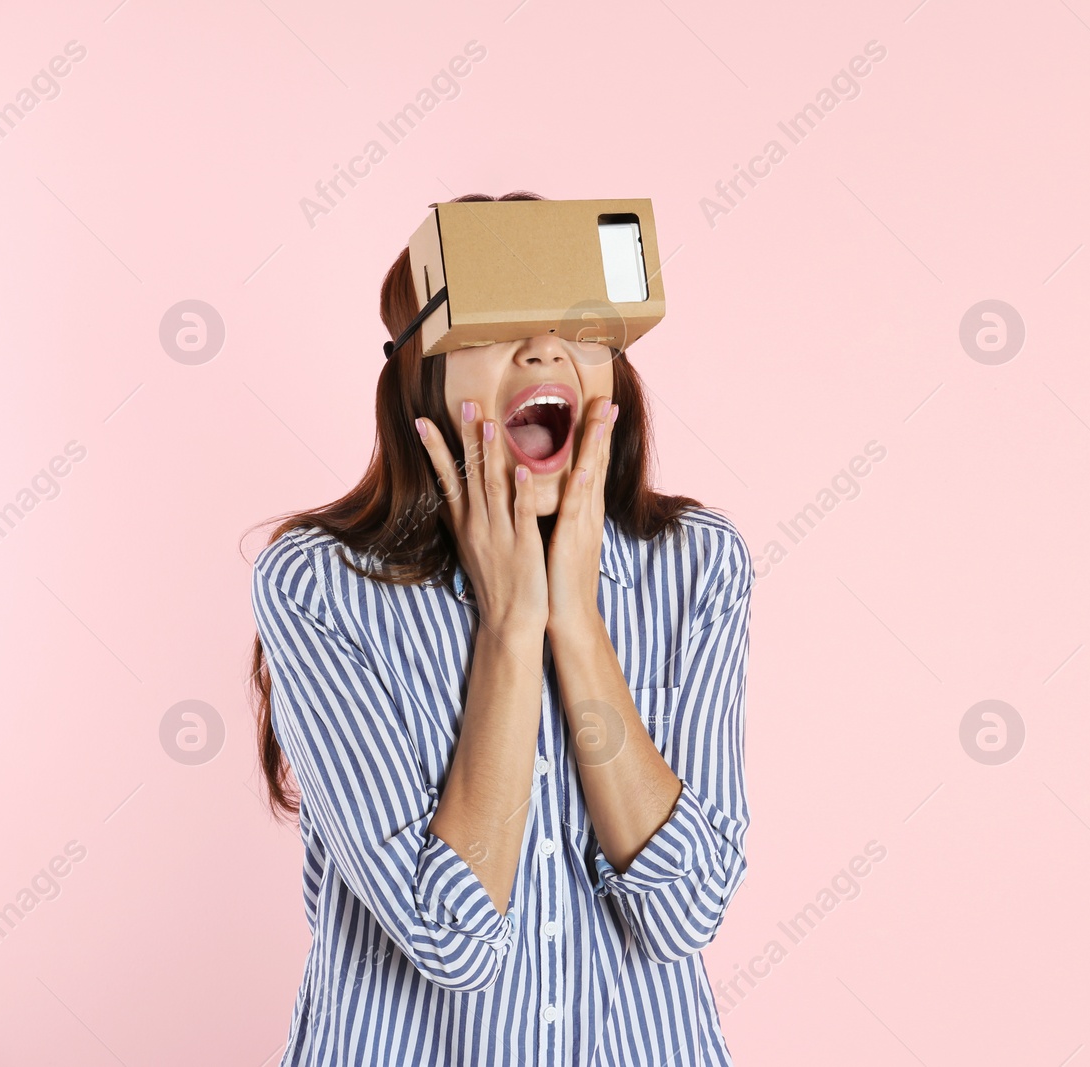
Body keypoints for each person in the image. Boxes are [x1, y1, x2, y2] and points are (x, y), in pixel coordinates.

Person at [247, 191, 754, 1065]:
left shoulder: (697, 567)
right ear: (422, 374)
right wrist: (512, 630)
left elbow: (684, 912)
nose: (543, 346)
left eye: (579, 326)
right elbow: (448, 932)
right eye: (492, 324)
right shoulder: (318, 584)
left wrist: (577, 620)